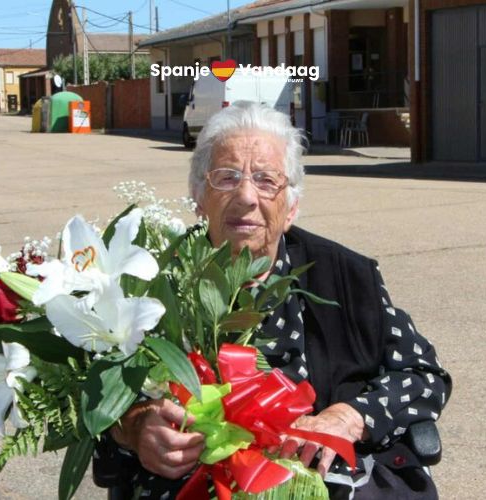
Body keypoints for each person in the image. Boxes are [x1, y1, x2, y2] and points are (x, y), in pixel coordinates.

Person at [94, 101, 451, 499]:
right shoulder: (152, 283)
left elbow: (422, 375)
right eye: (226, 177)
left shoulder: (347, 277)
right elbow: (96, 394)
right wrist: (134, 425)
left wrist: (349, 417)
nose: (246, 196)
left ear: (291, 207)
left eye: (266, 181)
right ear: (198, 197)